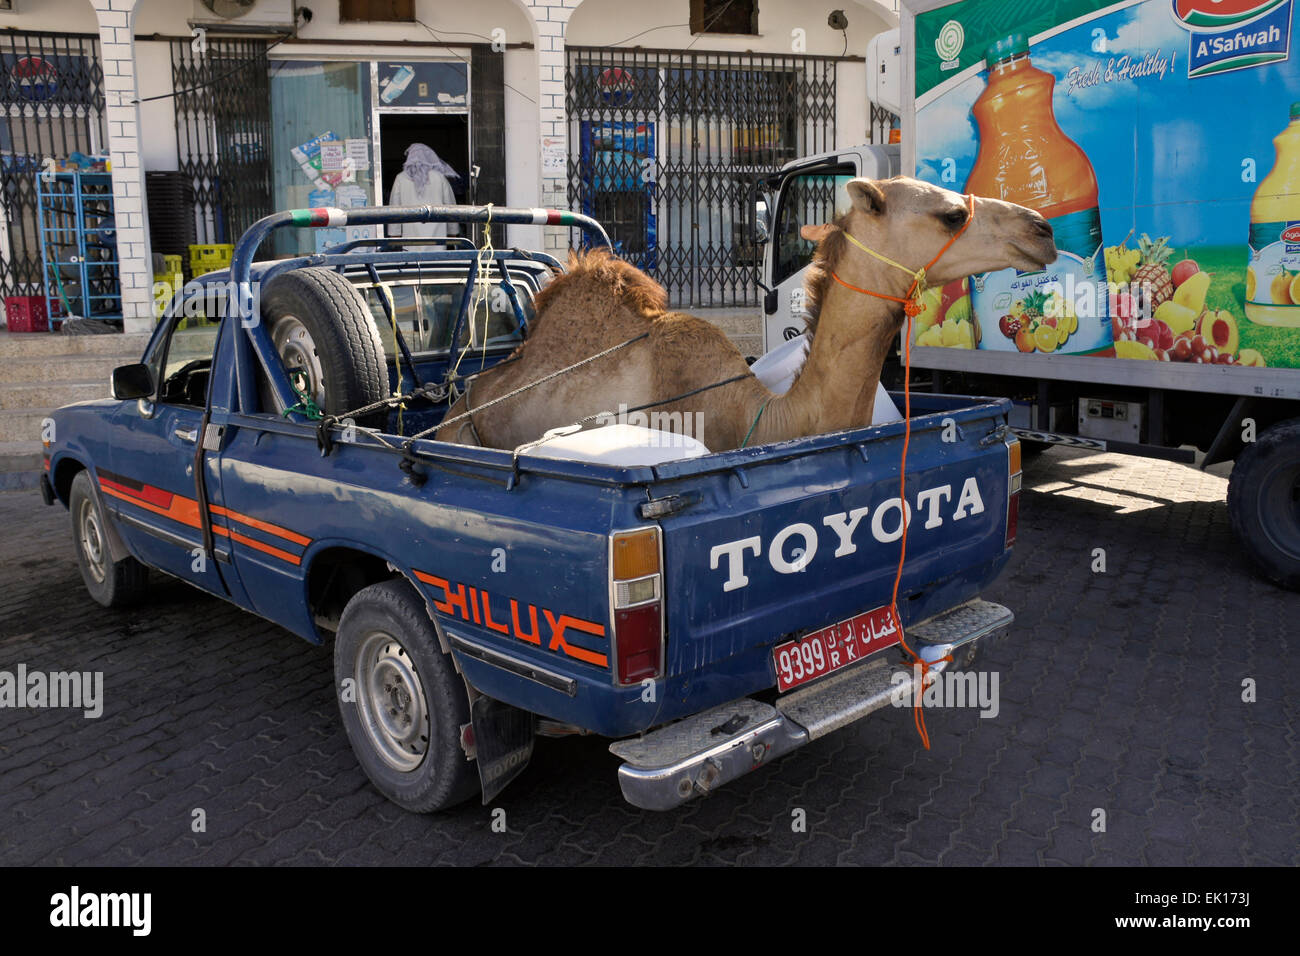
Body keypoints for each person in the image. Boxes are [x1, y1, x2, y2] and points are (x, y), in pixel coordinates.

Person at [388, 143, 460, 248]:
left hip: (410, 242)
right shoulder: (440, 178)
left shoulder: (400, 179)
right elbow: (451, 207)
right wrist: (452, 233)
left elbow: (394, 210)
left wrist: (394, 236)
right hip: (437, 242)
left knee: (412, 263)